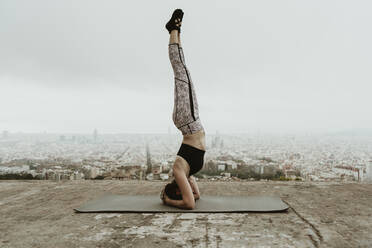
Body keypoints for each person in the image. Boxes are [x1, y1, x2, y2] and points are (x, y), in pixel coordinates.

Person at [160, 9, 206, 210]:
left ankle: (173, 31)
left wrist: (167, 201)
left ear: (177, 188)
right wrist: (172, 199)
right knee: (182, 70)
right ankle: (175, 31)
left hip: (187, 120)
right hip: (190, 120)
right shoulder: (185, 174)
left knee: (180, 70)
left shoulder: (179, 171)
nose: (187, 187)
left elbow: (189, 202)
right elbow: (194, 198)